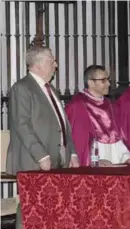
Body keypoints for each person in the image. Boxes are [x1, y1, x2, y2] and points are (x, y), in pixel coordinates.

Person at [6, 46, 80, 229]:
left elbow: (63, 124)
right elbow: (22, 125)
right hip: (34, 159)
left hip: (58, 156)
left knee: (54, 207)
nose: (55, 65)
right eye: (51, 61)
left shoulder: (50, 89)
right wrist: (41, 155)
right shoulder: (21, 88)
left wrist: (71, 152)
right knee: (30, 206)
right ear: (38, 65)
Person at [65, 65, 130, 166]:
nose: (109, 84)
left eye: (108, 80)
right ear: (91, 83)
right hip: (93, 165)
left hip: (114, 162)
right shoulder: (78, 106)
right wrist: (93, 161)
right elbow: (77, 141)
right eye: (103, 80)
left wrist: (126, 157)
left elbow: (115, 135)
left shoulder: (110, 105)